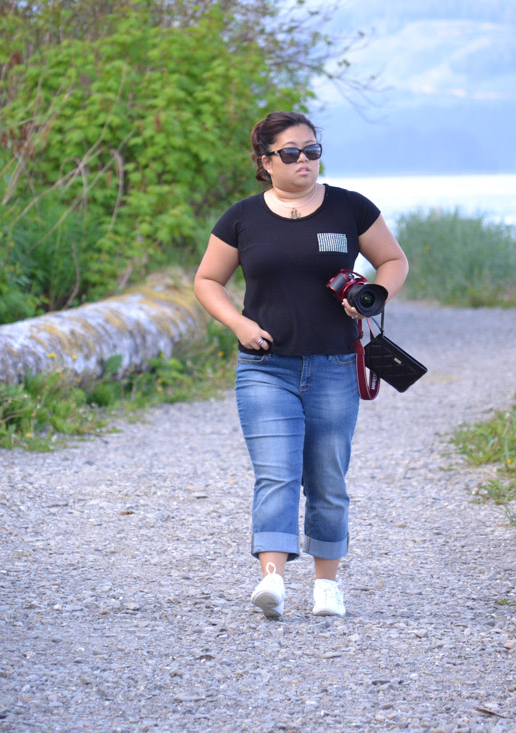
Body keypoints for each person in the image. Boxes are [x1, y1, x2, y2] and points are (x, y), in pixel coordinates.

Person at [193, 111, 409, 619]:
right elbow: (207, 280)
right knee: (276, 474)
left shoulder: (350, 208)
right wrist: (238, 324)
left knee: (328, 478)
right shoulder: (242, 218)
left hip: (335, 365)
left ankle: (326, 586)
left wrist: (374, 297)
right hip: (265, 368)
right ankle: (272, 580)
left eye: (312, 150)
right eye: (290, 153)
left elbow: (393, 261)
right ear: (265, 162)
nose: (304, 160)